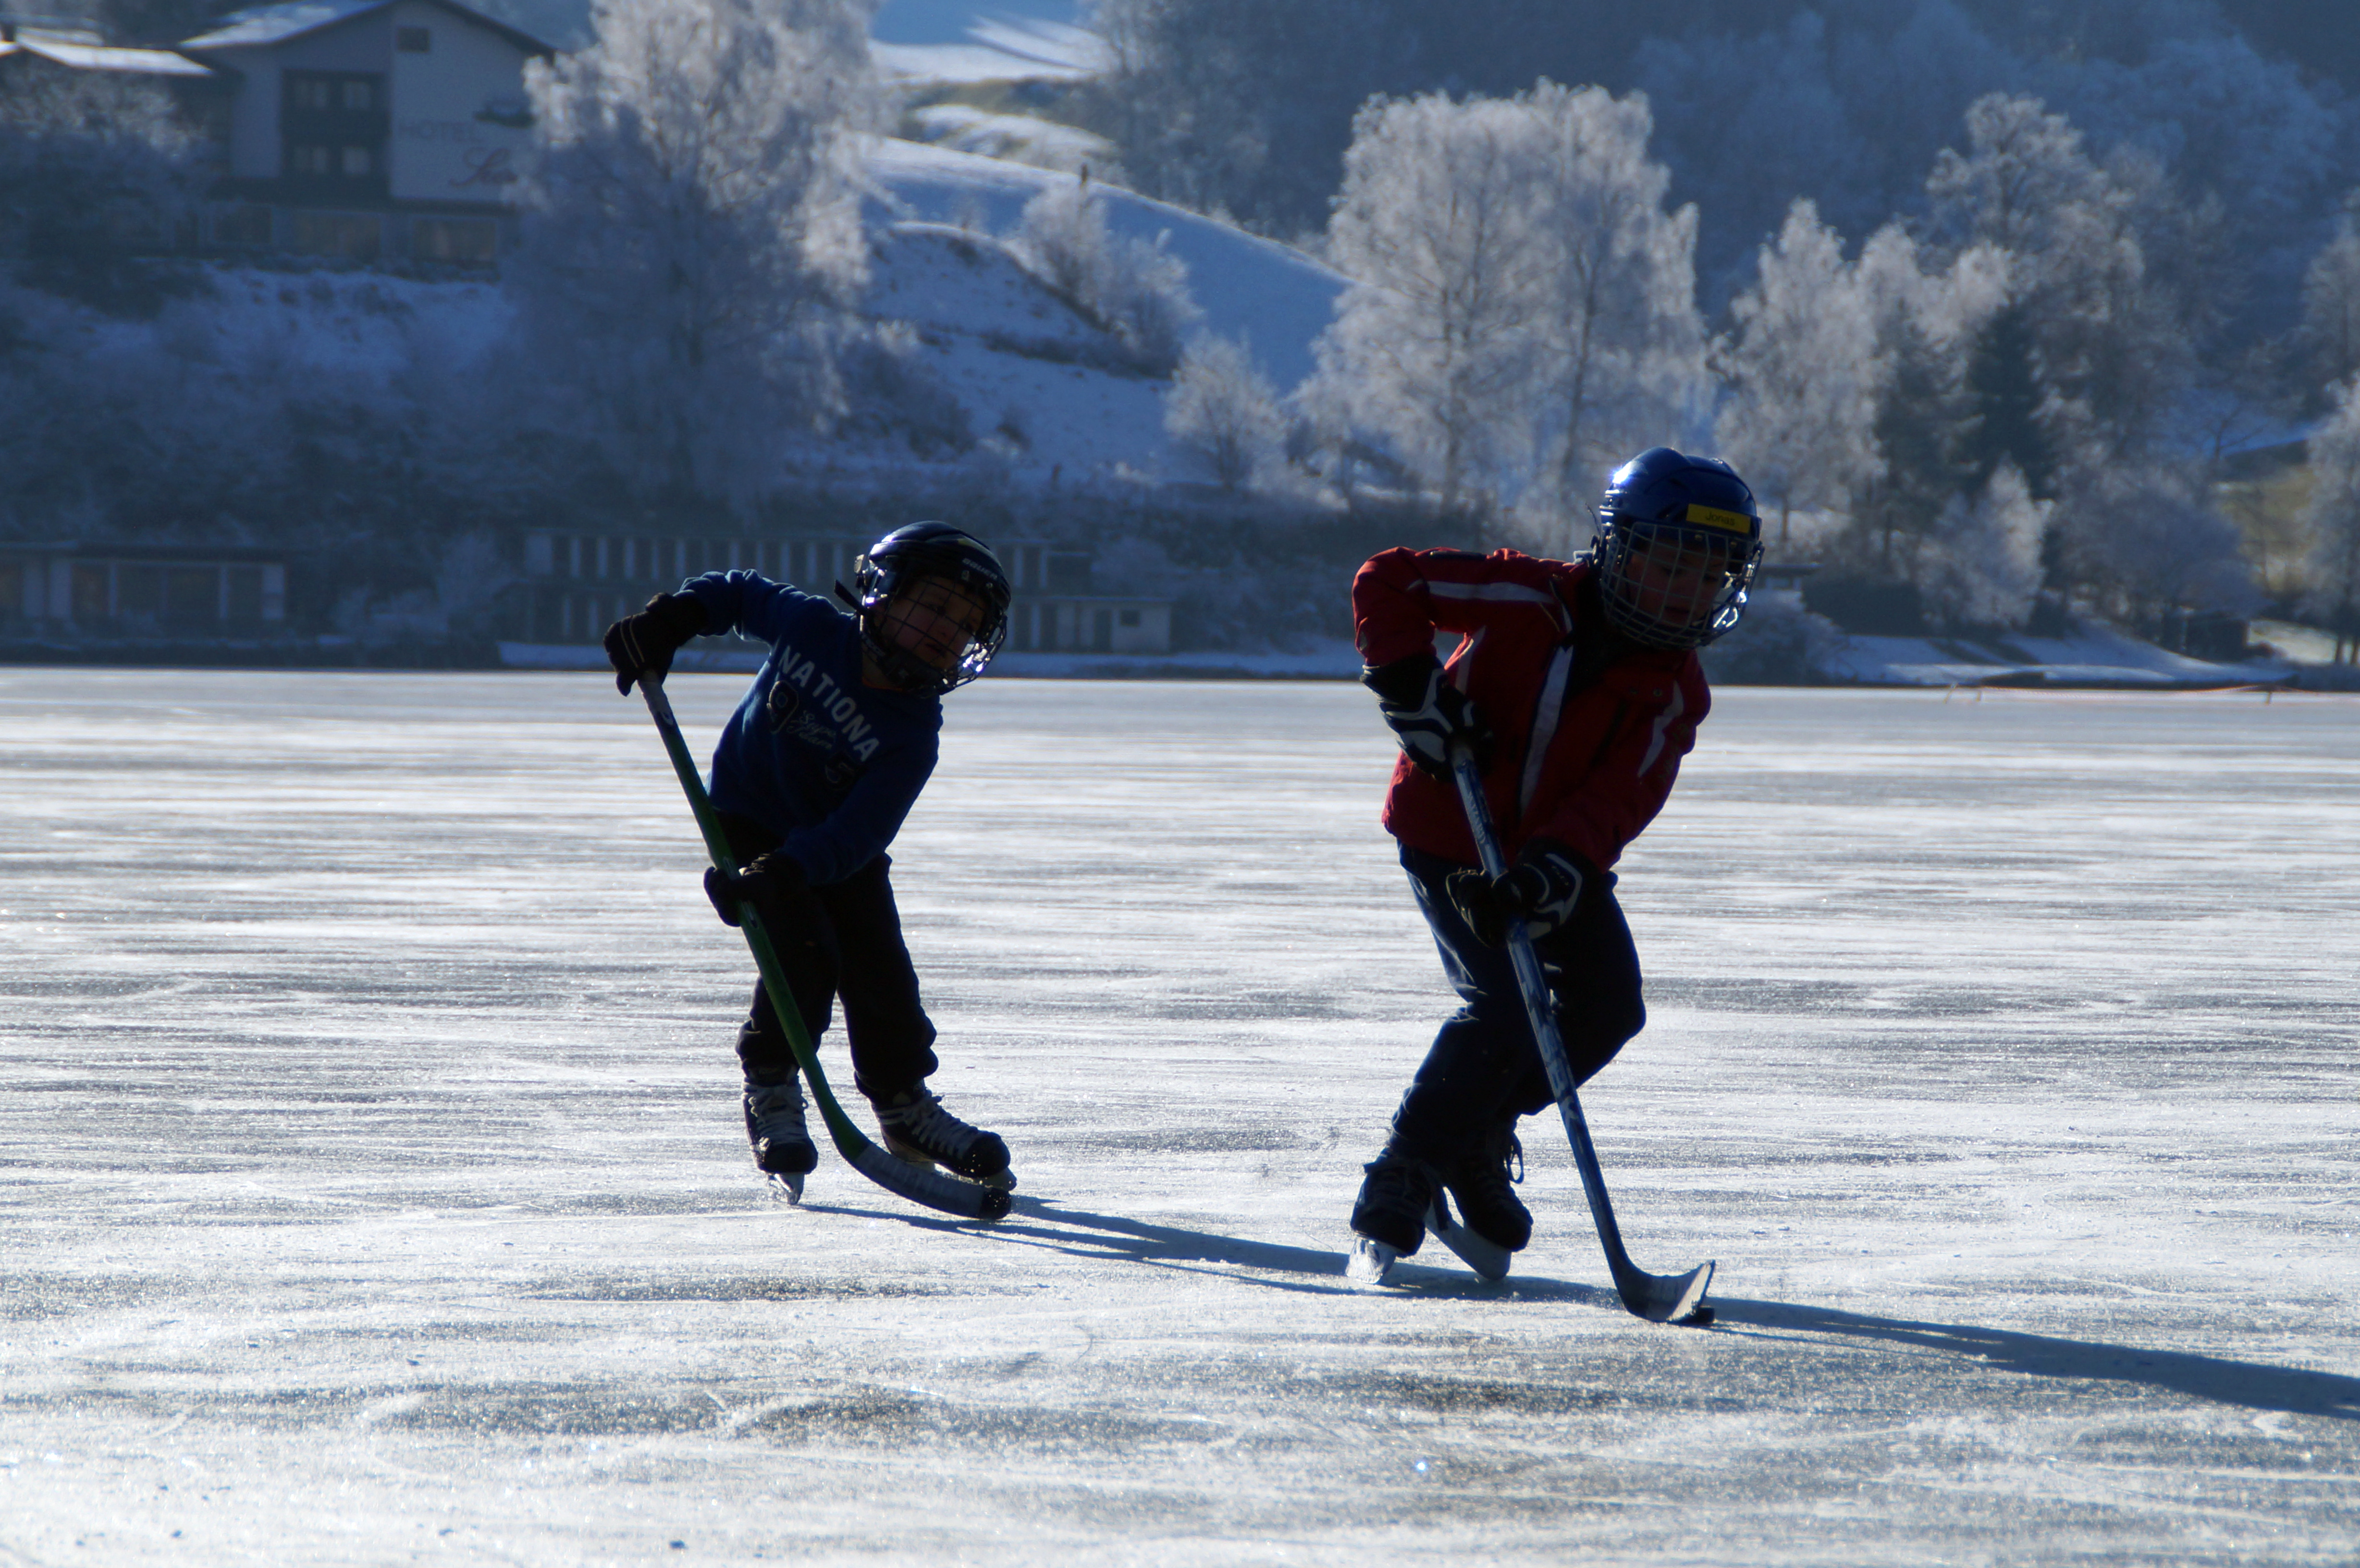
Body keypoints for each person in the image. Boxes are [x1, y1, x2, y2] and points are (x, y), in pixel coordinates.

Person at [1347, 447, 1764, 1267]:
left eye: (1707, 575)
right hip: (1448, 835)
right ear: (1618, 548)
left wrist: (1553, 873)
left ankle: (1474, 1133)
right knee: (1502, 1003)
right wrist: (1411, 690)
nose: (1687, 590)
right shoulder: (1520, 594)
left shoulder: (1677, 690)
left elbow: (1617, 800)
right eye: (1670, 564)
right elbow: (1387, 579)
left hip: (1549, 859)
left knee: (1608, 1006)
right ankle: (1405, 1169)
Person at [603, 522, 1017, 1198]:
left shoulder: (912, 737)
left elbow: (862, 830)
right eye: (937, 607)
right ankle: (770, 1079)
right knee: (803, 951)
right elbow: (739, 594)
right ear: (884, 591)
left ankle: (903, 1104)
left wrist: (795, 869)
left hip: (828, 850)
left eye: (965, 625)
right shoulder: (815, 629)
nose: (948, 631)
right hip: (745, 817)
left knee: (880, 966)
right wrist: (674, 618)